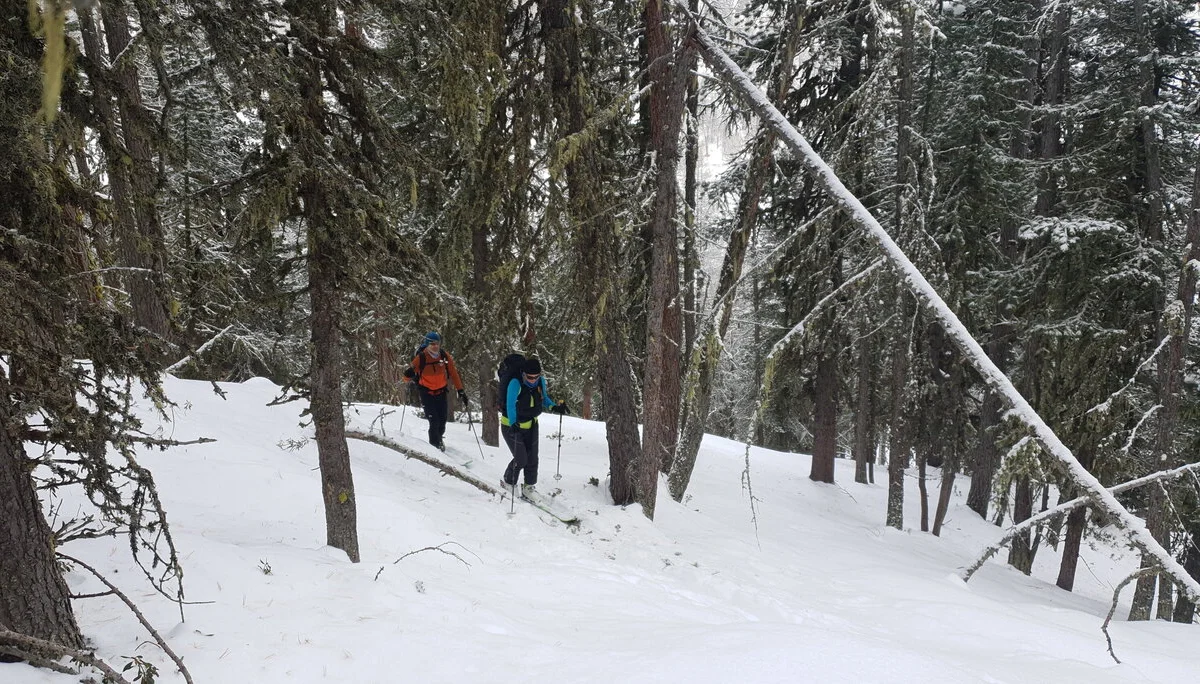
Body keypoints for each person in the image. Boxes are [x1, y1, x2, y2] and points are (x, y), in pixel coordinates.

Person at [500, 356, 568, 495]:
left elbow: (544, 398)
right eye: (530, 377)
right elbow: (510, 404)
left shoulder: (540, 382)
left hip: (531, 425)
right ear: (524, 374)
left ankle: (528, 487)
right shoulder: (515, 383)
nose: (533, 380)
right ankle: (509, 481)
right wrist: (513, 423)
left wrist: (554, 407)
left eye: (536, 377)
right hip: (512, 426)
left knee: (532, 459)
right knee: (521, 459)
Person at [404, 332, 467, 451]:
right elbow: (406, 377)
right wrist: (408, 375)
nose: (435, 346)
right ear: (427, 344)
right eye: (432, 344)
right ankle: (435, 448)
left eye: (437, 343)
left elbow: (453, 373)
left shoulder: (444, 356)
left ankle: (439, 440)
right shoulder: (421, 357)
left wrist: (461, 390)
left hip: (441, 392)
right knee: (434, 421)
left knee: (442, 421)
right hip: (426, 393)